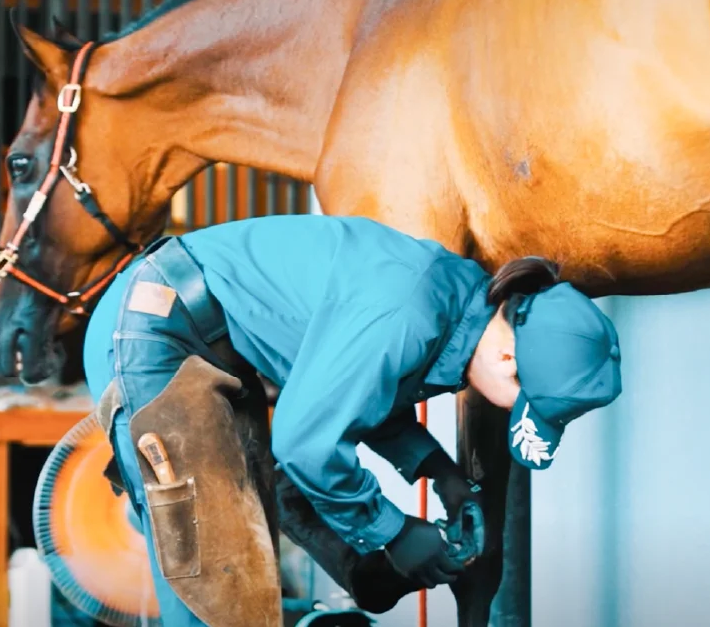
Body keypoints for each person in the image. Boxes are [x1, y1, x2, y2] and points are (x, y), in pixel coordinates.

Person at [82, 214, 622, 626]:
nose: (510, 412)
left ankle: (357, 582)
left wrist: (441, 474)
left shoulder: (452, 305)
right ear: (509, 361)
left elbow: (359, 394)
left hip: (207, 342)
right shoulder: (406, 312)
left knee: (248, 566)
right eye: (520, 402)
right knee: (214, 588)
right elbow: (306, 442)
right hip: (155, 328)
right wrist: (393, 530)